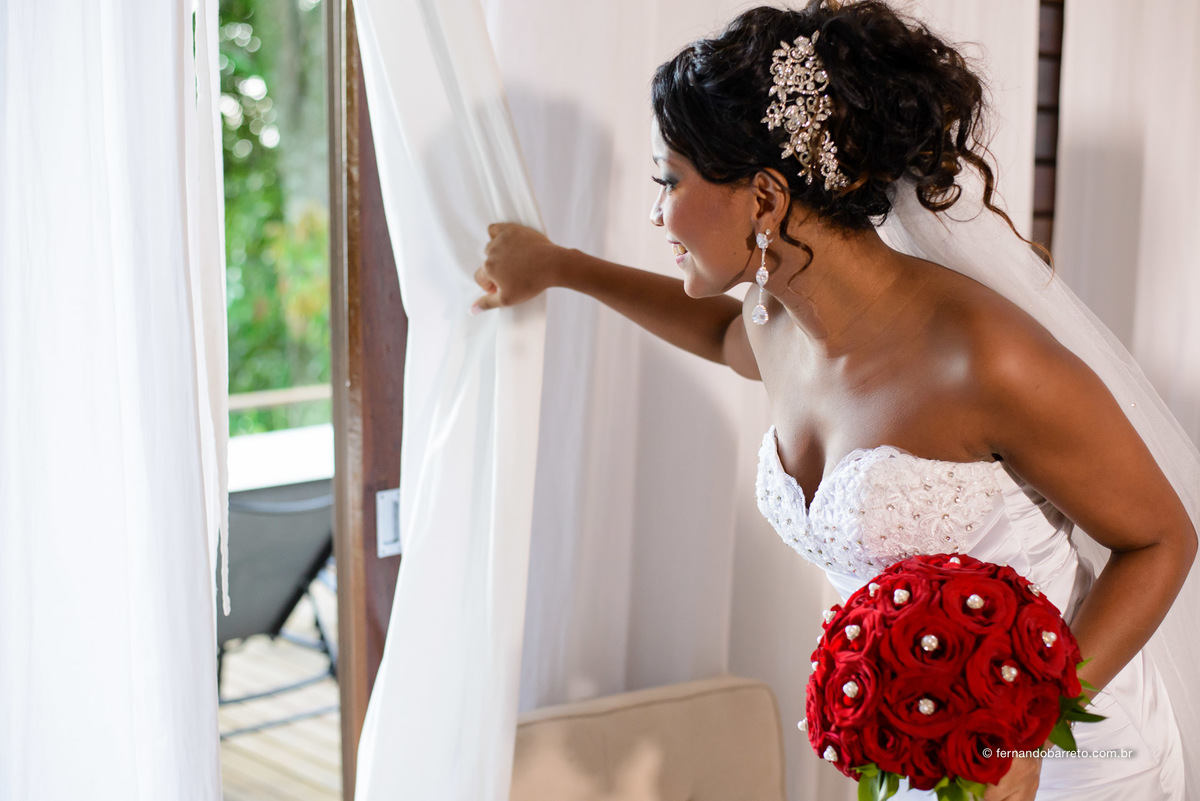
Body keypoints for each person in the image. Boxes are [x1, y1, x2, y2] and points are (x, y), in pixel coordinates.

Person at [470, 2, 1198, 799]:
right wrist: (562, 267)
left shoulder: (983, 357)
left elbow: (1162, 540)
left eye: (667, 181)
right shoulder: (774, 318)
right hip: (932, 747)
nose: (655, 212)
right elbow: (724, 334)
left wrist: (1027, 731)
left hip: (1072, 752)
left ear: (764, 198)